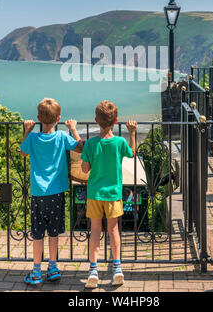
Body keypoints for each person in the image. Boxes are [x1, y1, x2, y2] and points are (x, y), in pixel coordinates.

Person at [20, 97, 83, 286]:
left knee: (38, 232)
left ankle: (37, 271)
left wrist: (27, 130)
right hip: (57, 192)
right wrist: (72, 128)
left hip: (38, 193)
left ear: (39, 118)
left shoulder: (32, 138)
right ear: (59, 118)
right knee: (54, 232)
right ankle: (53, 267)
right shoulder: (62, 137)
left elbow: (23, 152)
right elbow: (80, 147)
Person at [81, 100, 137, 288]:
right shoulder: (120, 142)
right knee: (113, 230)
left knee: (95, 230)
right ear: (116, 121)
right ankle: (117, 268)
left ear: (96, 120)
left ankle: (93, 270)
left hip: (94, 194)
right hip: (113, 194)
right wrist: (132, 132)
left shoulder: (90, 143)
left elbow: (85, 168)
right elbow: (132, 153)